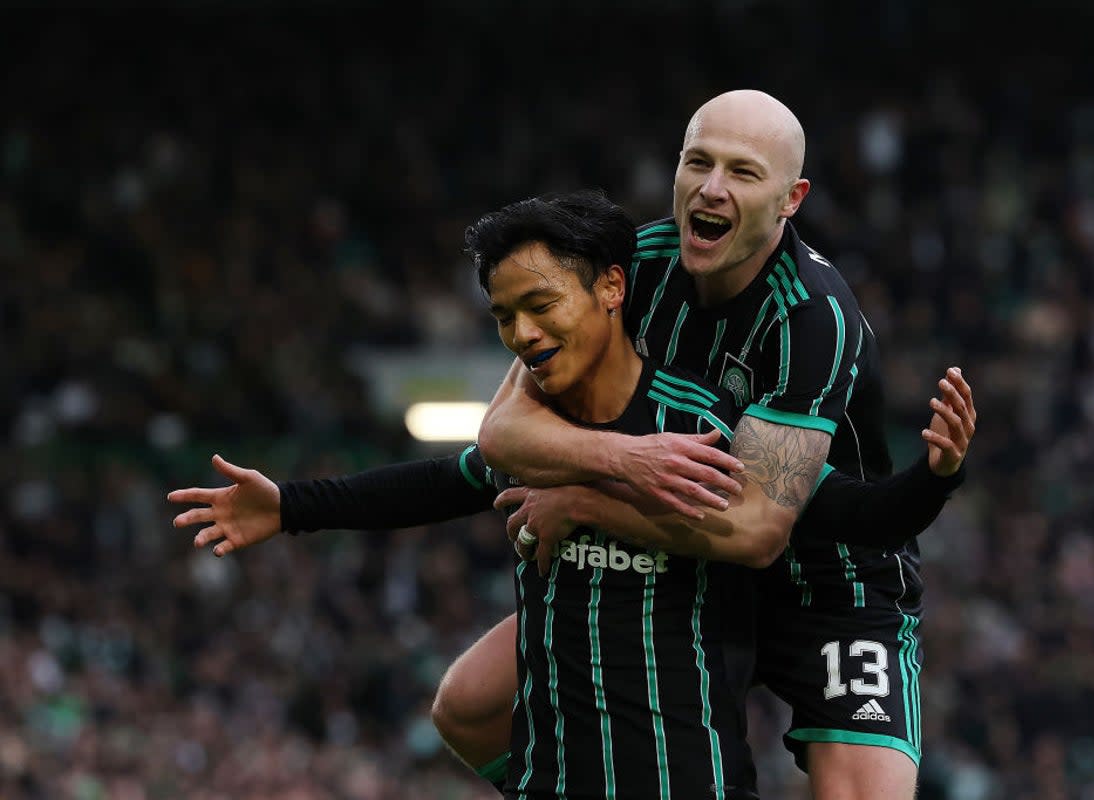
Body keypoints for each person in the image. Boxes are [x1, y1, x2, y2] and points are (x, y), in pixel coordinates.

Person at [169, 185, 975, 797]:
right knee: (461, 704)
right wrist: (291, 507)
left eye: (541, 306)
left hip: (736, 701)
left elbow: (843, 511)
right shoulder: (539, 429)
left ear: (612, 292)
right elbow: (444, 481)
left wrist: (936, 474)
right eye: (504, 315)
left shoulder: (710, 420)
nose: (523, 333)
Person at [470, 89, 975, 799]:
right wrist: (625, 461)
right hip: (685, 555)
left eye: (742, 172)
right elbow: (500, 433)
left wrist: (586, 499)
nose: (710, 188)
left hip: (831, 586)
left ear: (790, 198)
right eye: (697, 163)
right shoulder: (635, 265)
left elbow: (757, 528)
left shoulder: (812, 318)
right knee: (469, 709)